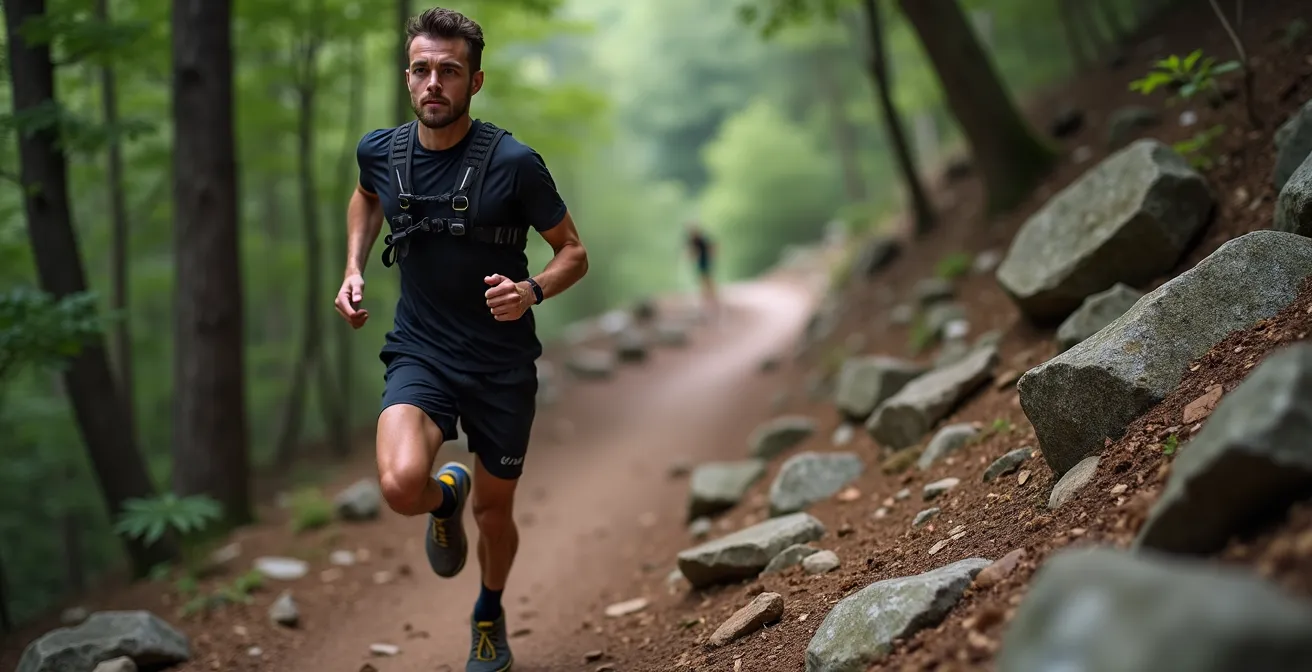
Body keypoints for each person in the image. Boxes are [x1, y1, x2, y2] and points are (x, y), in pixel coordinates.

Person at [333, 7, 588, 671]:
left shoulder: (513, 163)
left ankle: (488, 613)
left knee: (496, 514)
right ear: (407, 76)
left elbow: (573, 253)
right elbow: (365, 197)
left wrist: (531, 291)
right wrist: (353, 267)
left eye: (449, 70)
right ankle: (444, 496)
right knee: (398, 485)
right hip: (421, 350)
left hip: (501, 365)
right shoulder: (380, 152)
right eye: (421, 69)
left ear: (475, 81)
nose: (433, 83)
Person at [685, 222, 717, 318]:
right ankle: (707, 300)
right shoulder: (694, 240)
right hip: (700, 263)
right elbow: (691, 252)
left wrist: (711, 256)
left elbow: (712, 248)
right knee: (703, 280)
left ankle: (711, 300)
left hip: (705, 262)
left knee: (706, 280)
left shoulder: (703, 239)